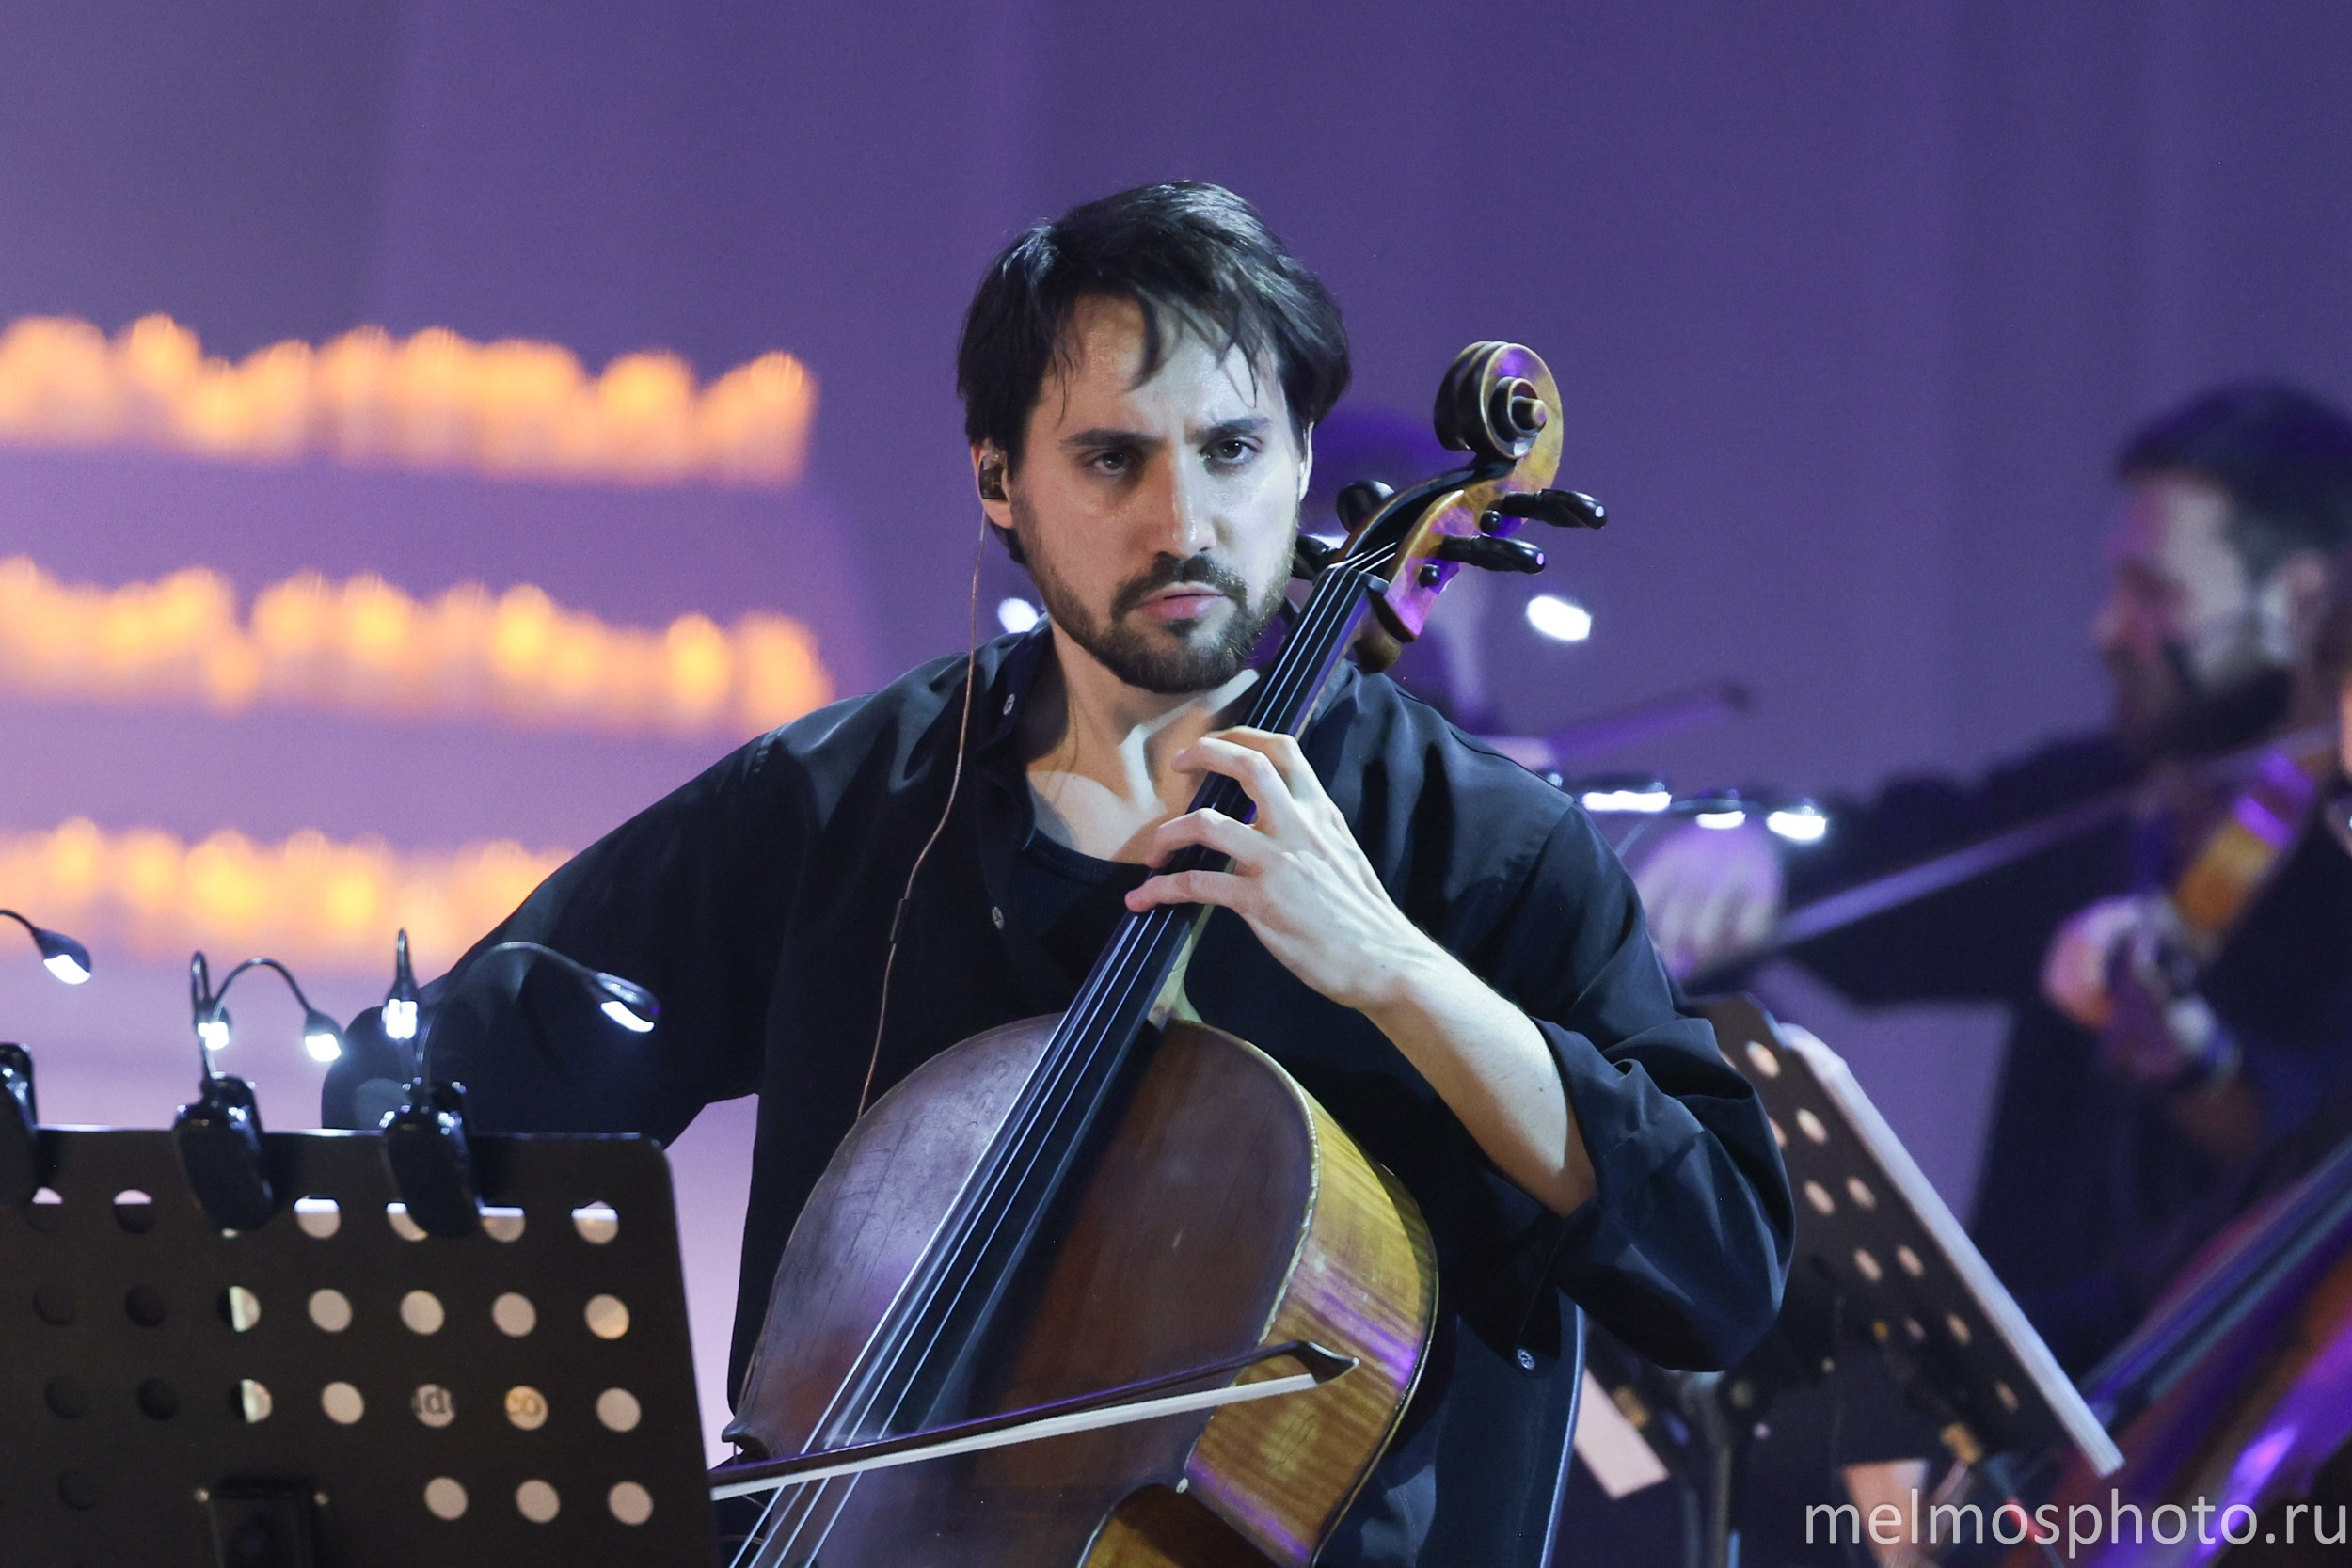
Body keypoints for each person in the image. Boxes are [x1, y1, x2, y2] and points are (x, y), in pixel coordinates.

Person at [325, 182, 1791, 1567]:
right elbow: (466, 1079)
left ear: (1300, 464)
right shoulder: (838, 805)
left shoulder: (1484, 848)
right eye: (1111, 459)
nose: (1182, 523)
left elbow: (1718, 1265)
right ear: (999, 482)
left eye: (1232, 451)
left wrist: (1399, 973)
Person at [1638, 384, 2352, 1370]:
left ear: (2302, 599)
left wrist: (2197, 1057)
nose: (2109, 627)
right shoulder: (2111, 797)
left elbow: (2313, 1138)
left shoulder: (2335, 859)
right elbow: (1909, 861)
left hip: (2212, 1405)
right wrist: (1756, 844)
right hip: (2007, 1382)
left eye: (2157, 594)